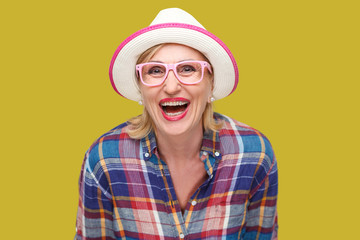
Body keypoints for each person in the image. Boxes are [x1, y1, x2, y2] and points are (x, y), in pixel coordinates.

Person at [75, 8, 278, 240]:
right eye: (155, 70)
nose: (171, 86)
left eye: (188, 69)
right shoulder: (103, 160)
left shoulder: (255, 154)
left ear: (211, 84)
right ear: (140, 87)